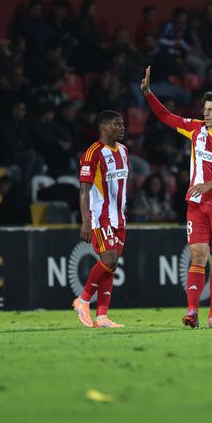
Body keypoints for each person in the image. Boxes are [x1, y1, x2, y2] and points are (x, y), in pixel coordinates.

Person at [141, 67, 212, 329]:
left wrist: (209, 183)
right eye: (205, 109)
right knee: (197, 256)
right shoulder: (194, 129)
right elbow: (165, 116)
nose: (205, 113)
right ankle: (192, 311)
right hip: (197, 206)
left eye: (211, 110)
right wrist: (148, 93)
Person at [72, 110, 129, 329]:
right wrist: (86, 220)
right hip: (100, 216)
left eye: (122, 124)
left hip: (119, 217)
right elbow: (84, 190)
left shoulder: (123, 151)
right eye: (117, 124)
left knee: (110, 267)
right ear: (104, 128)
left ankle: (102, 316)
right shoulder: (92, 153)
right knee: (110, 260)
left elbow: (120, 185)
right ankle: (83, 300)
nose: (122, 127)